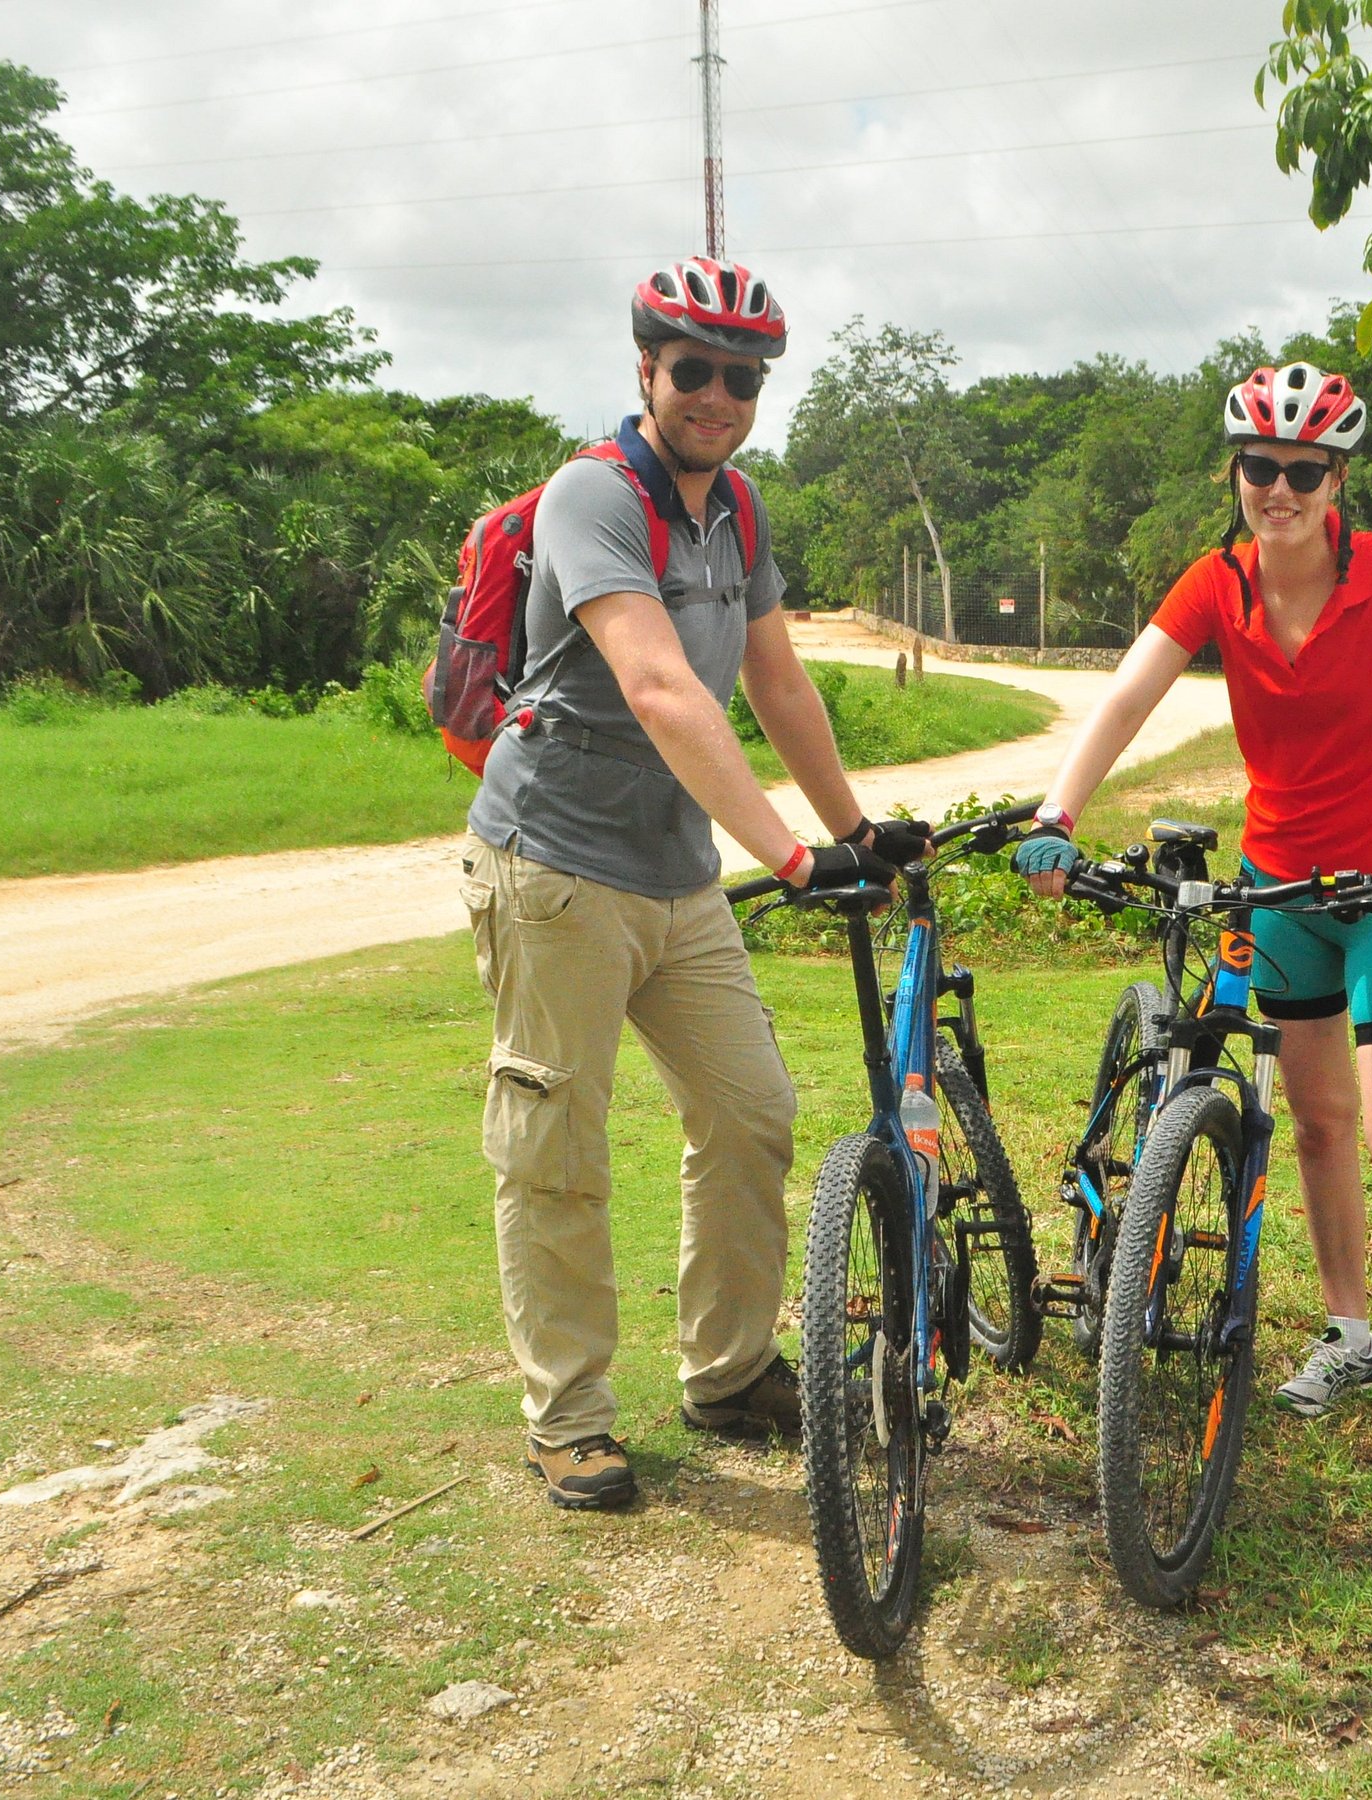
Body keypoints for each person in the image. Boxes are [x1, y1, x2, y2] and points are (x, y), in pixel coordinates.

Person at [1012, 362, 1372, 1488]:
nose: (1281, 489)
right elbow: (1125, 696)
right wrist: (1060, 811)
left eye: (1305, 470)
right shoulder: (1218, 584)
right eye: (1262, 467)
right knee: (1312, 1129)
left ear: (1337, 476)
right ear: (1236, 470)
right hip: (1278, 892)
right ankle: (1350, 1335)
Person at [461, 256, 924, 1510]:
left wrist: (855, 830)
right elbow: (663, 685)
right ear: (646, 372)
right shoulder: (590, 499)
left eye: (742, 375)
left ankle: (726, 1373)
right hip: (551, 866)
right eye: (695, 370)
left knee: (750, 1111)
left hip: (676, 878)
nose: (718, 395)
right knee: (556, 1143)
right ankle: (569, 1418)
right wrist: (788, 855)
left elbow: (775, 680)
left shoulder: (740, 512)